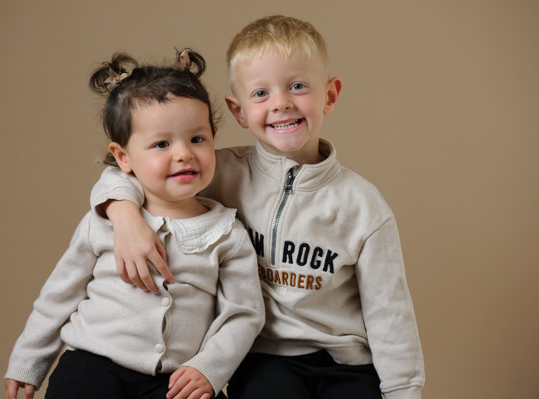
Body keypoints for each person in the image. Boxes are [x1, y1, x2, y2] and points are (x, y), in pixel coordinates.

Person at [90, 15, 425, 399]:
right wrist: (124, 214)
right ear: (239, 111)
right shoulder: (218, 173)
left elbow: (390, 313)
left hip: (347, 363)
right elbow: (125, 173)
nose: (281, 103)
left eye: (298, 86)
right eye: (261, 94)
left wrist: (403, 390)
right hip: (262, 358)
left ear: (329, 96)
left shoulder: (363, 204)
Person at [4, 49, 265, 399]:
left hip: (175, 379)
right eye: (161, 144)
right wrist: (29, 360)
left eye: (197, 139)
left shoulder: (228, 232)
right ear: (123, 157)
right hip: (95, 361)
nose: (184, 153)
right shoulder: (106, 219)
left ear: (214, 136)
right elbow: (58, 297)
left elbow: (243, 314)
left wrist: (209, 367)